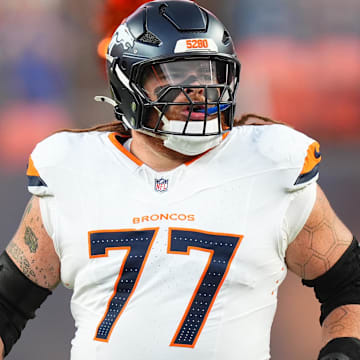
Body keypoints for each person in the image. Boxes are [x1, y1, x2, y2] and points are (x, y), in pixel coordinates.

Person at [0, 1, 359, 359]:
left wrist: (343, 352)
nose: (199, 89)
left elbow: (348, 285)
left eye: (210, 72)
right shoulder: (75, 170)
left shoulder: (269, 164)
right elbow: (7, 305)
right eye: (178, 75)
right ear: (130, 84)